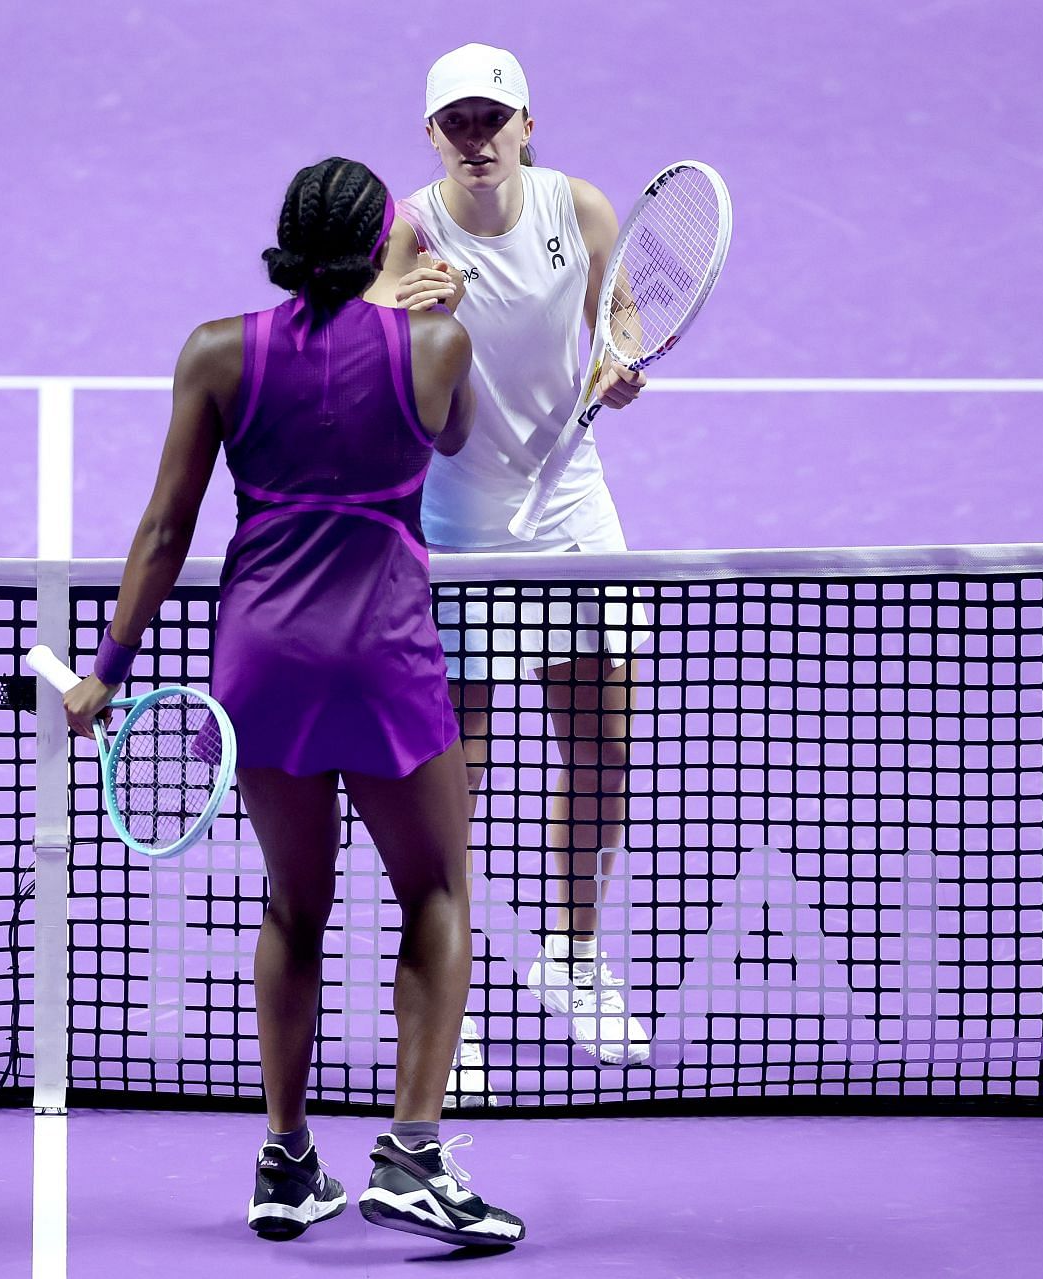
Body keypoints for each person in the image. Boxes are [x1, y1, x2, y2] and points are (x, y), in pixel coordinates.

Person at [62, 157, 524, 1249]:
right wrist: (436, 311)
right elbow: (455, 436)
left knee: (291, 906)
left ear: (283, 239)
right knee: (436, 892)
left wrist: (108, 669)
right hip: (387, 660)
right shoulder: (438, 345)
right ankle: (412, 1154)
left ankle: (285, 1161)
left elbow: (166, 529)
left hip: (261, 663)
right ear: (381, 249)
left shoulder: (219, 352)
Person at [368, 44, 653, 1093]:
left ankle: (573, 959)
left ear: (529, 122)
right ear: (432, 136)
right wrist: (407, 323)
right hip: (456, 525)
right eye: (459, 121)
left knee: (603, 748)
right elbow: (364, 370)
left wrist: (618, 358)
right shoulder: (407, 231)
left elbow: (617, 315)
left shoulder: (578, 210)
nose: (479, 136)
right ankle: (455, 992)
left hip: (573, 508)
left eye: (496, 118)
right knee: (458, 780)